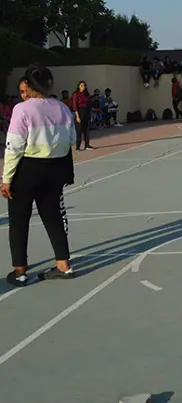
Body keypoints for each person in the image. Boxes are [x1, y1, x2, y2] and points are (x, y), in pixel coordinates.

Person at [3, 65, 76, 287]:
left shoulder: (22, 109)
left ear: (29, 85)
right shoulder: (62, 108)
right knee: (53, 217)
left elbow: (14, 146)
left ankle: (20, 271)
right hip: (55, 169)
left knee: (19, 220)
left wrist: (6, 178)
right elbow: (71, 139)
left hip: (28, 169)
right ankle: (63, 266)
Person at [71, 80, 94, 151]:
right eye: (81, 85)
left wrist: (91, 115)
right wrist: (77, 116)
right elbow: (75, 105)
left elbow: (89, 105)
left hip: (87, 112)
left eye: (84, 85)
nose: (83, 87)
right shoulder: (76, 94)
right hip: (79, 112)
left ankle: (87, 145)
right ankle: (78, 147)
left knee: (86, 130)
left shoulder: (87, 94)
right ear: (78, 86)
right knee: (79, 131)